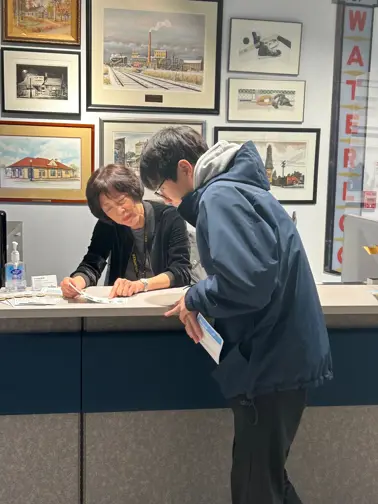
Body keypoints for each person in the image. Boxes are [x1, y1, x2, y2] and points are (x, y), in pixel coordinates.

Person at [139, 126, 333, 504]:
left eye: (162, 189)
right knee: (265, 479)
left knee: (255, 487)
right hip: (280, 357)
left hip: (269, 362)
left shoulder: (221, 195)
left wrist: (196, 296)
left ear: (183, 169)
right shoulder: (240, 188)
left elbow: (247, 282)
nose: (164, 199)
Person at [61, 164, 191, 298]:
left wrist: (141, 284)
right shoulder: (108, 224)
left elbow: (181, 271)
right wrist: (75, 282)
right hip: (122, 300)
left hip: (161, 300)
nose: (119, 212)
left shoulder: (169, 217)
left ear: (134, 192)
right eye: (109, 209)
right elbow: (92, 263)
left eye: (121, 201)